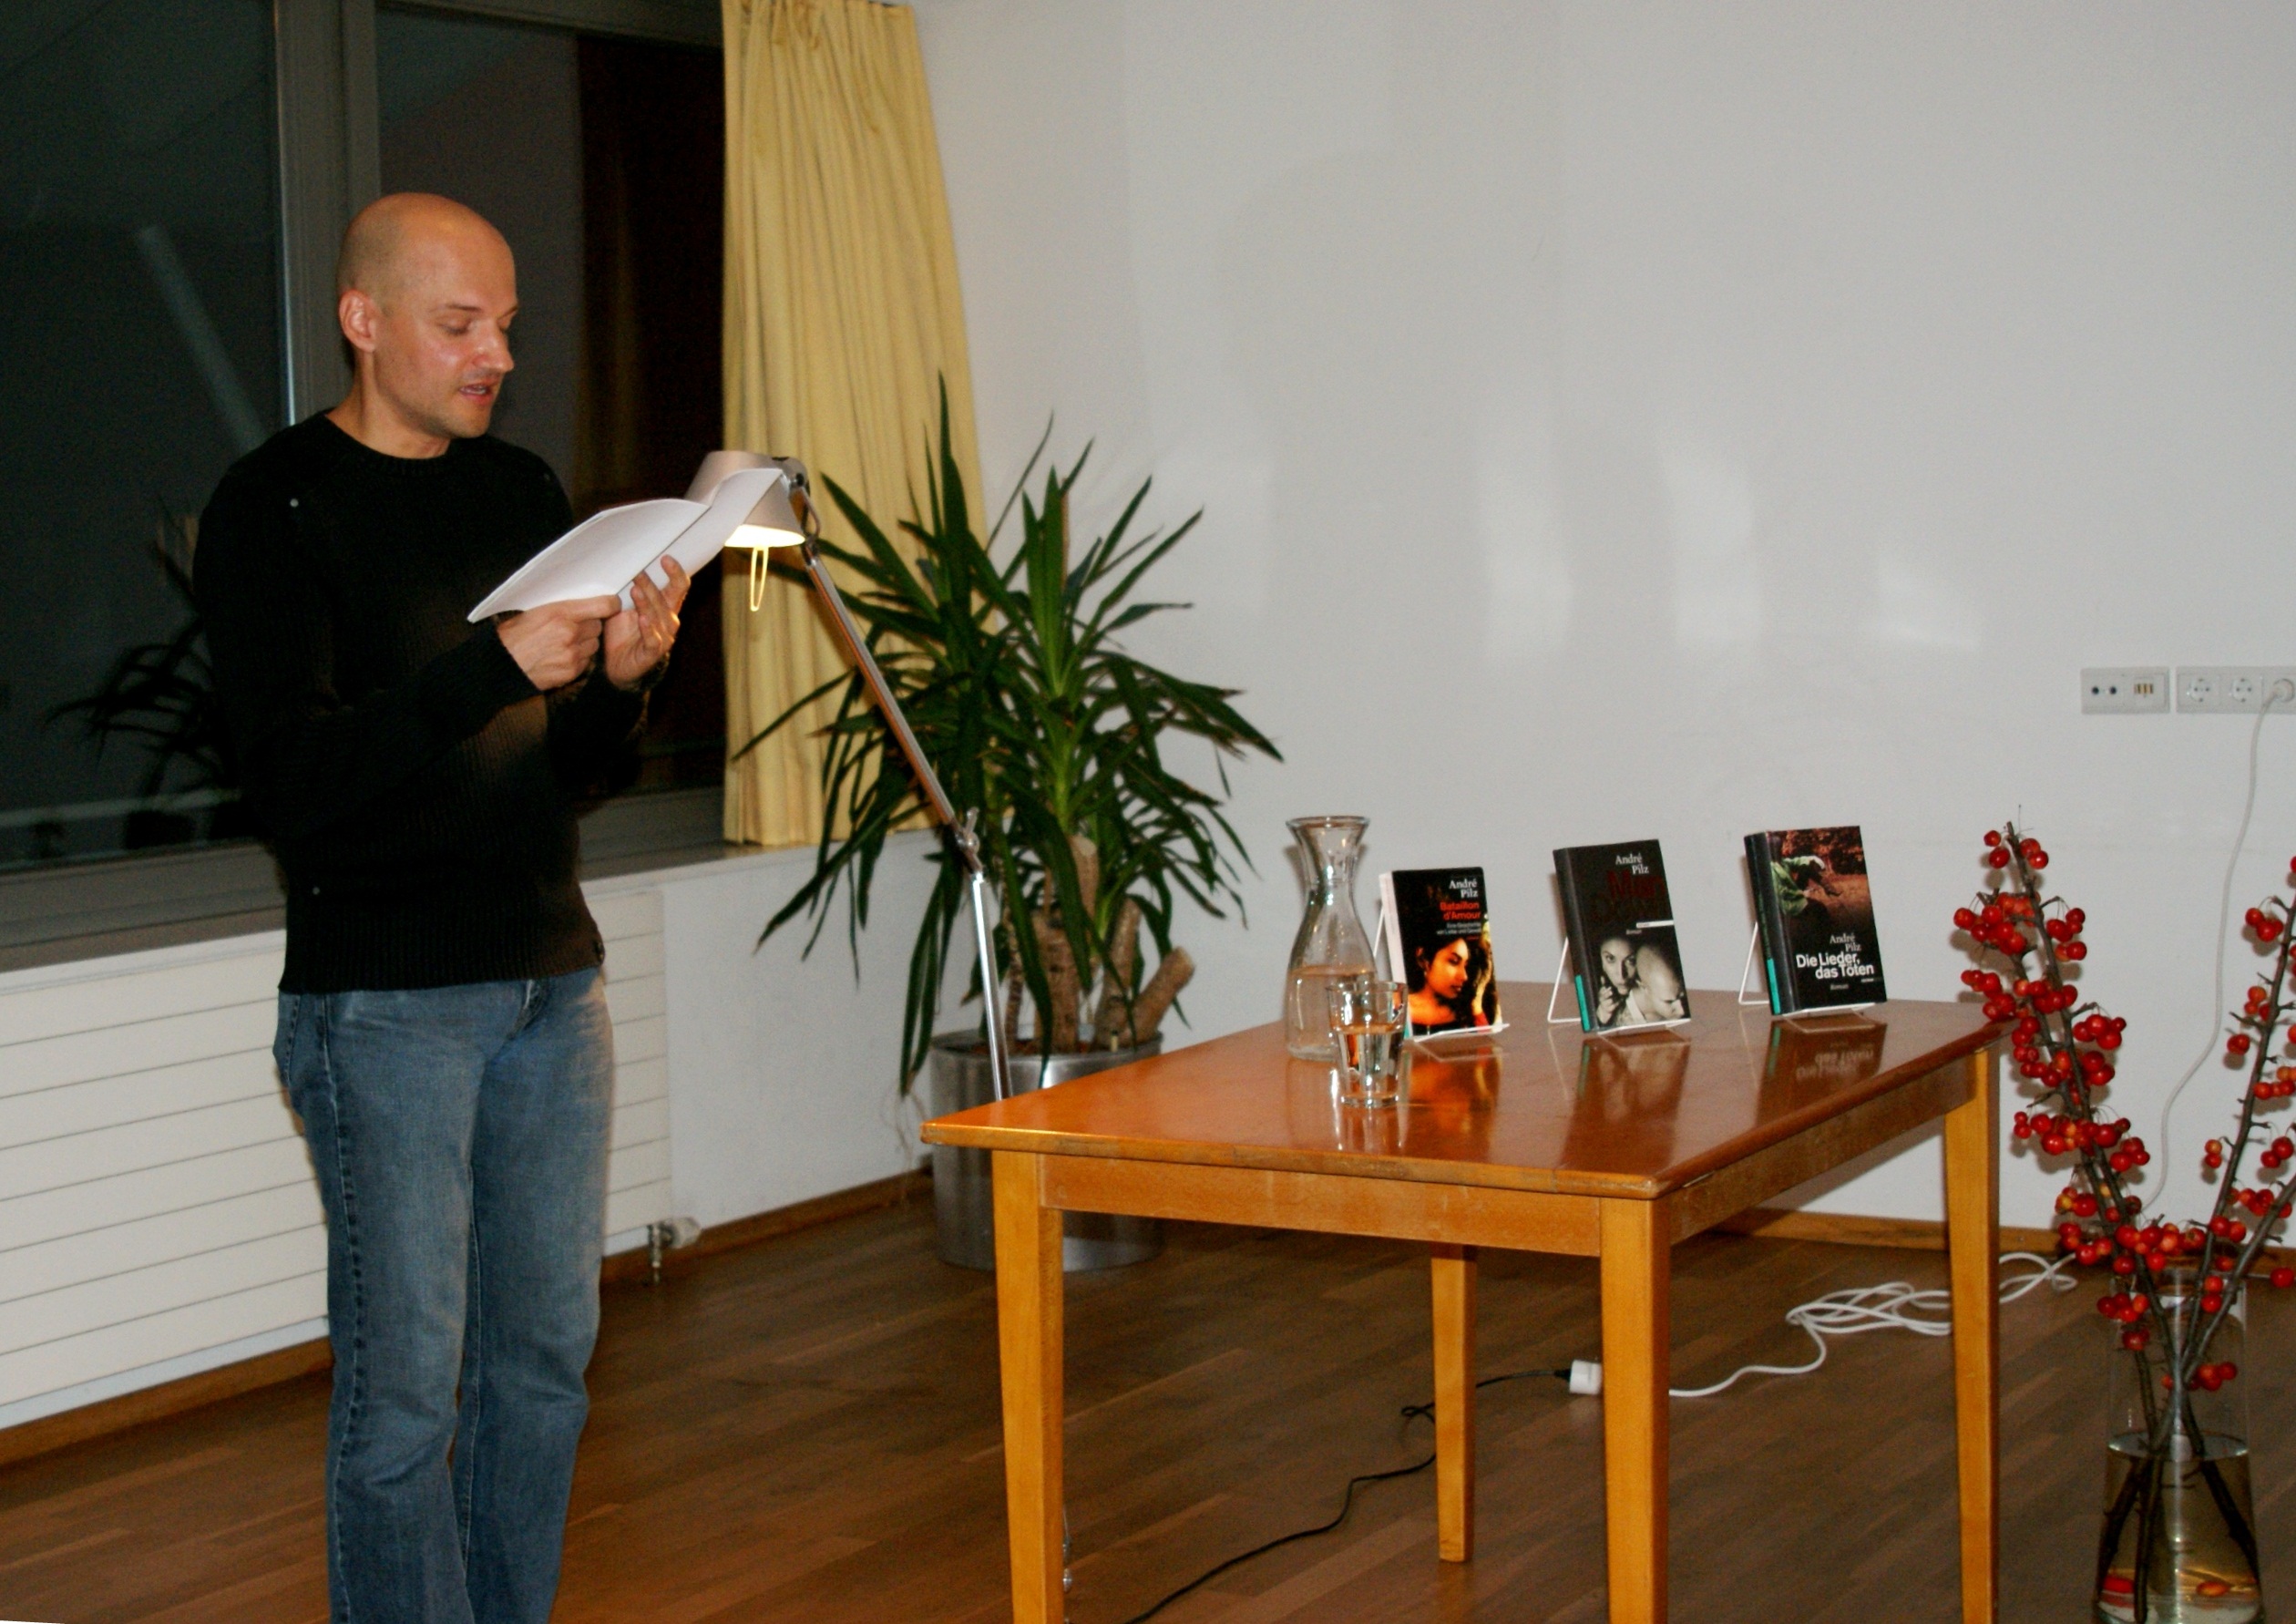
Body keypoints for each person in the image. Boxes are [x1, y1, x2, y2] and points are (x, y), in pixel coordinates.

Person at [194, 192, 690, 1624]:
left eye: (507, 327)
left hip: (550, 984)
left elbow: (568, 770)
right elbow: (293, 780)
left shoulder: (519, 490)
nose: (498, 357)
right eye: (462, 324)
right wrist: (490, 667)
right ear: (364, 319)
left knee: (542, 1365)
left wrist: (623, 681)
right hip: (382, 1006)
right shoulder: (273, 508)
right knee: (406, 1394)